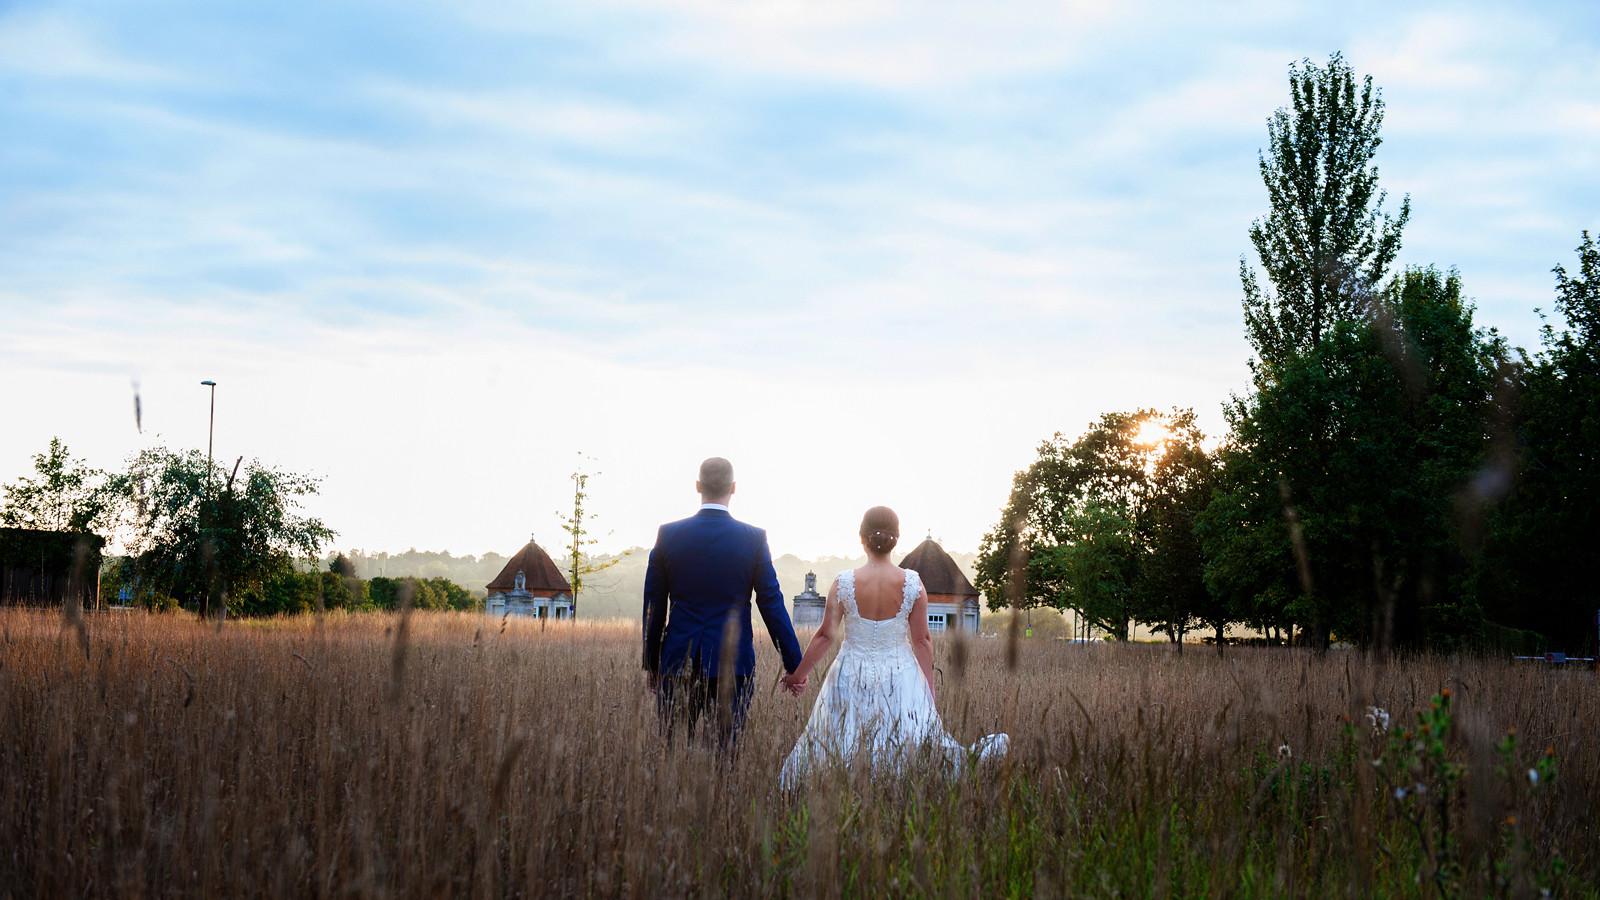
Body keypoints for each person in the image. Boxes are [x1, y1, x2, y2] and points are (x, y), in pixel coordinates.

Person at [778, 506, 1008, 784]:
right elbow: (922, 640)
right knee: (910, 736)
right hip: (901, 674)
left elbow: (825, 636)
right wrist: (927, 688)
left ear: (861, 537)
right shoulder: (913, 583)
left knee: (839, 735)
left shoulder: (844, 582)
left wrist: (797, 676)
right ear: (896, 540)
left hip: (850, 672)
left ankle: (844, 782)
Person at [642, 457, 803, 748]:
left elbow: (654, 604)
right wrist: (794, 664)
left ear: (697, 486)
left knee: (675, 756)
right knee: (725, 758)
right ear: (733, 488)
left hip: (678, 660)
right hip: (734, 663)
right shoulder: (753, 538)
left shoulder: (668, 535)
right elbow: (771, 602)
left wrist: (652, 662)